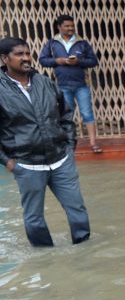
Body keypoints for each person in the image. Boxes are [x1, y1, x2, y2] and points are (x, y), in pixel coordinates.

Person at [0, 37, 91, 247]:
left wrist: (69, 147)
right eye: (19, 54)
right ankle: (44, 260)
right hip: (27, 164)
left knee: (77, 211)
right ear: (5, 58)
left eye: (27, 53)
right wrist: (9, 162)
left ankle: (85, 253)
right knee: (34, 219)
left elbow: (65, 116)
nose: (26, 58)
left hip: (61, 160)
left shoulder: (44, 82)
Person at [39, 14, 102, 154]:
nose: (70, 28)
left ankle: (93, 144)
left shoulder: (82, 43)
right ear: (59, 27)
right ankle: (68, 144)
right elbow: (42, 60)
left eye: (72, 26)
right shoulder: (52, 43)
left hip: (81, 86)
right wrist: (58, 61)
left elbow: (93, 61)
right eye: (67, 26)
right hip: (62, 86)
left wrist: (78, 61)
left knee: (87, 113)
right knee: (67, 116)